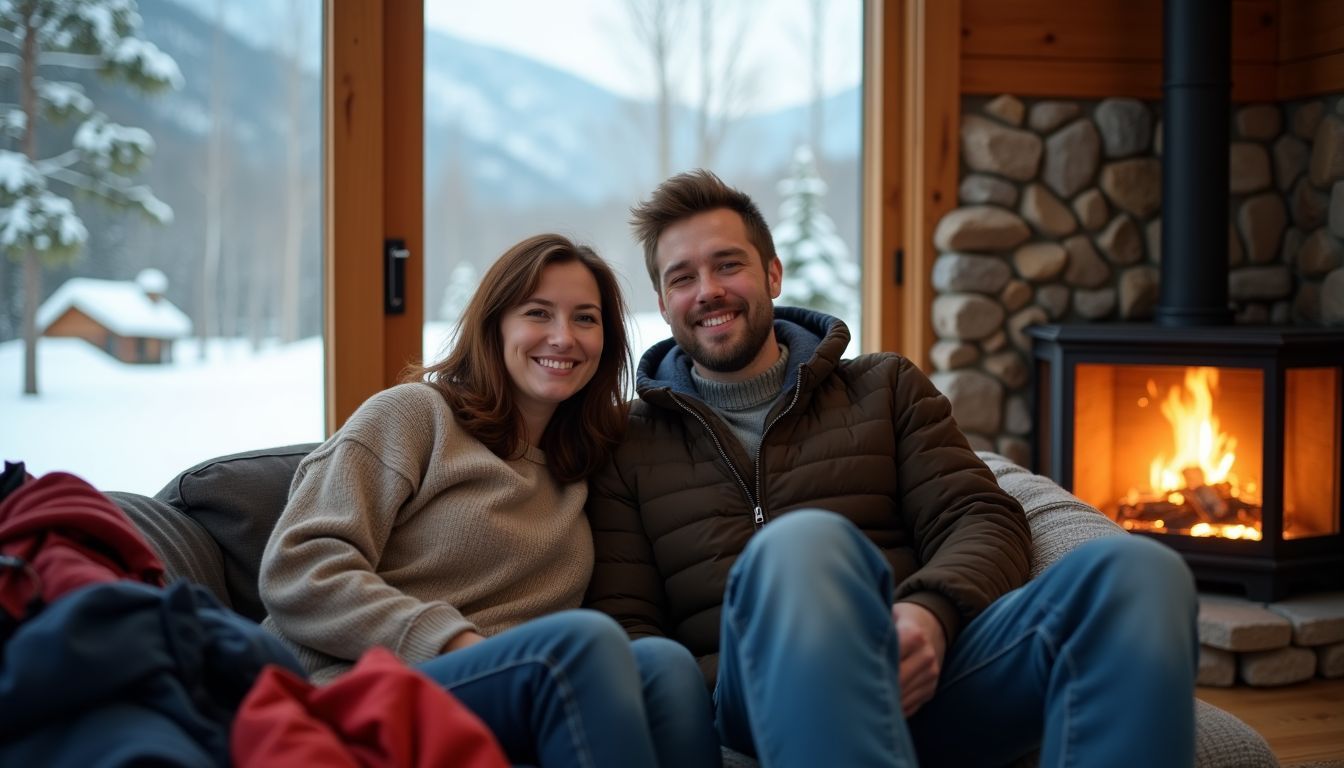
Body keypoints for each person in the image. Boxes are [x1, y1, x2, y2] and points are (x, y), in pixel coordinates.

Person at [584, 170, 1200, 767]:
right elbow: (629, 629)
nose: (708, 291)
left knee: (1137, 570)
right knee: (803, 544)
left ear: (772, 274)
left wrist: (931, 614)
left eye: (728, 264)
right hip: (759, 699)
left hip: (929, 676)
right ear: (664, 304)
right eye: (683, 277)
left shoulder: (884, 387)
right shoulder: (629, 444)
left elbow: (980, 516)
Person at [259, 234, 720, 768]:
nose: (563, 337)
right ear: (496, 323)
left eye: (586, 319)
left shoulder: (587, 463)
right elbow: (299, 565)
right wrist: (455, 642)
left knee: (664, 665)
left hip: (513, 697)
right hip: (360, 687)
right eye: (538, 313)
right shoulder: (415, 417)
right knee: (580, 645)